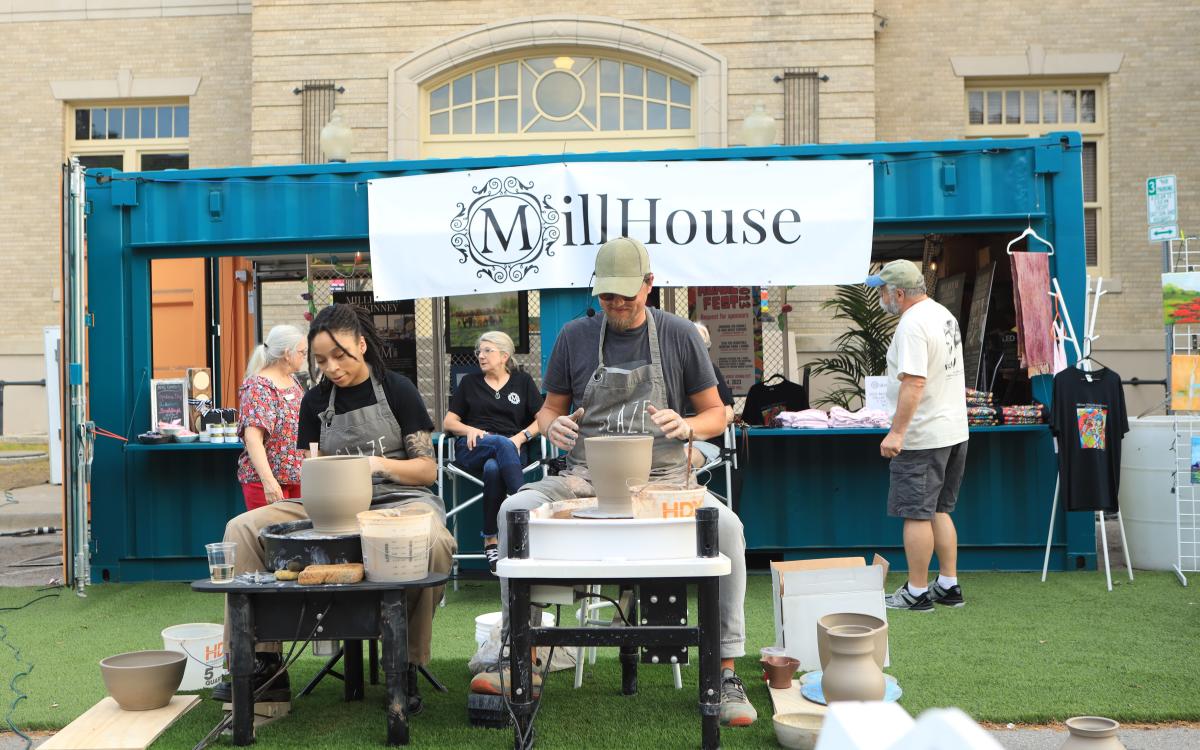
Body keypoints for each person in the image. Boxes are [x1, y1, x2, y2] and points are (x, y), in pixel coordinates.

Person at [470, 237, 758, 728]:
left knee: (727, 528)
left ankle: (724, 671)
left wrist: (690, 427)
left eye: (628, 294)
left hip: (666, 478)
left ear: (650, 285)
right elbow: (549, 411)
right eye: (608, 297)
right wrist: (552, 427)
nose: (618, 305)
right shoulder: (573, 338)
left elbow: (717, 413)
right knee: (512, 511)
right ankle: (521, 656)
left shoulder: (680, 334)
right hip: (585, 477)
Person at [215, 304, 456, 708]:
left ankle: (405, 660)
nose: (331, 367)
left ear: (361, 345)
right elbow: (313, 466)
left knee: (434, 540)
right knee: (241, 528)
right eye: (321, 360)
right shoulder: (314, 402)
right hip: (330, 505)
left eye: (339, 355)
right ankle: (261, 661)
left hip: (396, 499)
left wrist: (378, 464)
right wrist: (317, 480)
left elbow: (427, 470)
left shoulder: (397, 389)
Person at [867, 259, 968, 612]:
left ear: (898, 293)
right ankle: (948, 584)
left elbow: (914, 381)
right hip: (954, 428)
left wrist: (897, 432)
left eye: (881, 290)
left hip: (923, 434)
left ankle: (917, 591)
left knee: (916, 513)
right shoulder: (943, 314)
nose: (879, 296)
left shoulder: (911, 324)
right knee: (940, 508)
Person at [442, 331, 543, 572]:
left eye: (488, 351)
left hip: (513, 450)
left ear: (504, 355)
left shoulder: (523, 381)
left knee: (494, 467)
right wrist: (469, 429)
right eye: (479, 351)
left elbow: (543, 420)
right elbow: (448, 422)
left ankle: (490, 539)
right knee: (498, 443)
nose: (481, 355)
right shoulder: (469, 383)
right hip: (475, 448)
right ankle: (524, 515)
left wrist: (521, 437)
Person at [236, 325, 308, 511]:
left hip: (297, 479)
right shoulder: (258, 387)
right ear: (287, 353)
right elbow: (253, 438)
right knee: (271, 538)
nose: (304, 357)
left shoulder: (293, 381)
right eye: (302, 352)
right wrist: (269, 482)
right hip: (267, 484)